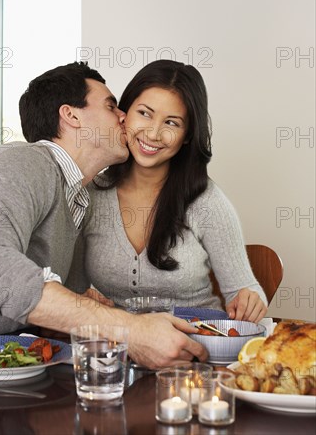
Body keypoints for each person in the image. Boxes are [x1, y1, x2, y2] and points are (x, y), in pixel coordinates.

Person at [0, 62, 206, 381]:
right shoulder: (22, 161)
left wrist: (92, 306)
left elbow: (42, 303)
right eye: (110, 106)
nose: (124, 117)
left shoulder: (78, 197)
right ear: (71, 114)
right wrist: (127, 329)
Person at [71, 60, 268, 323]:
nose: (153, 133)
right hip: (120, 350)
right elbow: (69, 289)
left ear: (187, 135)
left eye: (172, 123)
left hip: (196, 348)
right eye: (144, 113)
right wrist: (84, 300)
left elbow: (245, 290)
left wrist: (251, 300)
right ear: (124, 114)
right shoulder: (90, 194)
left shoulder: (206, 200)